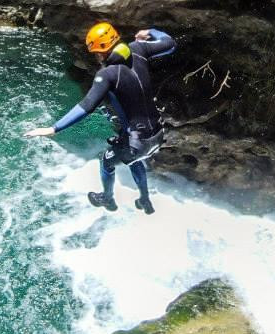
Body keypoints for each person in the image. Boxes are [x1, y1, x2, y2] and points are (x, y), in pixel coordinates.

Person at [25, 22, 176, 215]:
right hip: (158, 133)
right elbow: (170, 43)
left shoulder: (106, 74)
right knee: (130, 155)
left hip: (138, 144)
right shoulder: (139, 49)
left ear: (101, 51)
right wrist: (150, 31)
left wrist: (53, 128)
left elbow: (87, 106)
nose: (96, 56)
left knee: (107, 160)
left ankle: (107, 198)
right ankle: (145, 200)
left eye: (96, 52)